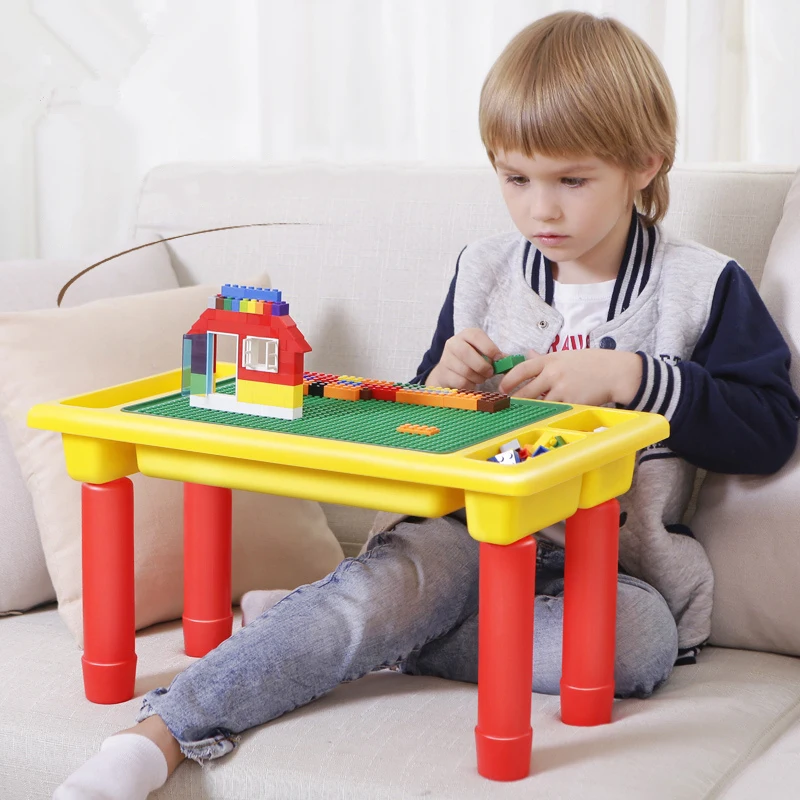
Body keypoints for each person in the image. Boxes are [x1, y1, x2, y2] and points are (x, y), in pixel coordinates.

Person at [54, 11, 799, 799]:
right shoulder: (484, 269)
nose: (540, 211)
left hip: (611, 574)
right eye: (516, 179)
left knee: (635, 647)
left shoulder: (704, 285)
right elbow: (417, 433)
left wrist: (633, 379)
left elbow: (769, 430)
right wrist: (444, 382)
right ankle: (154, 739)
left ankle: (334, 626)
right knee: (408, 579)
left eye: (572, 181)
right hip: (464, 542)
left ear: (644, 164)